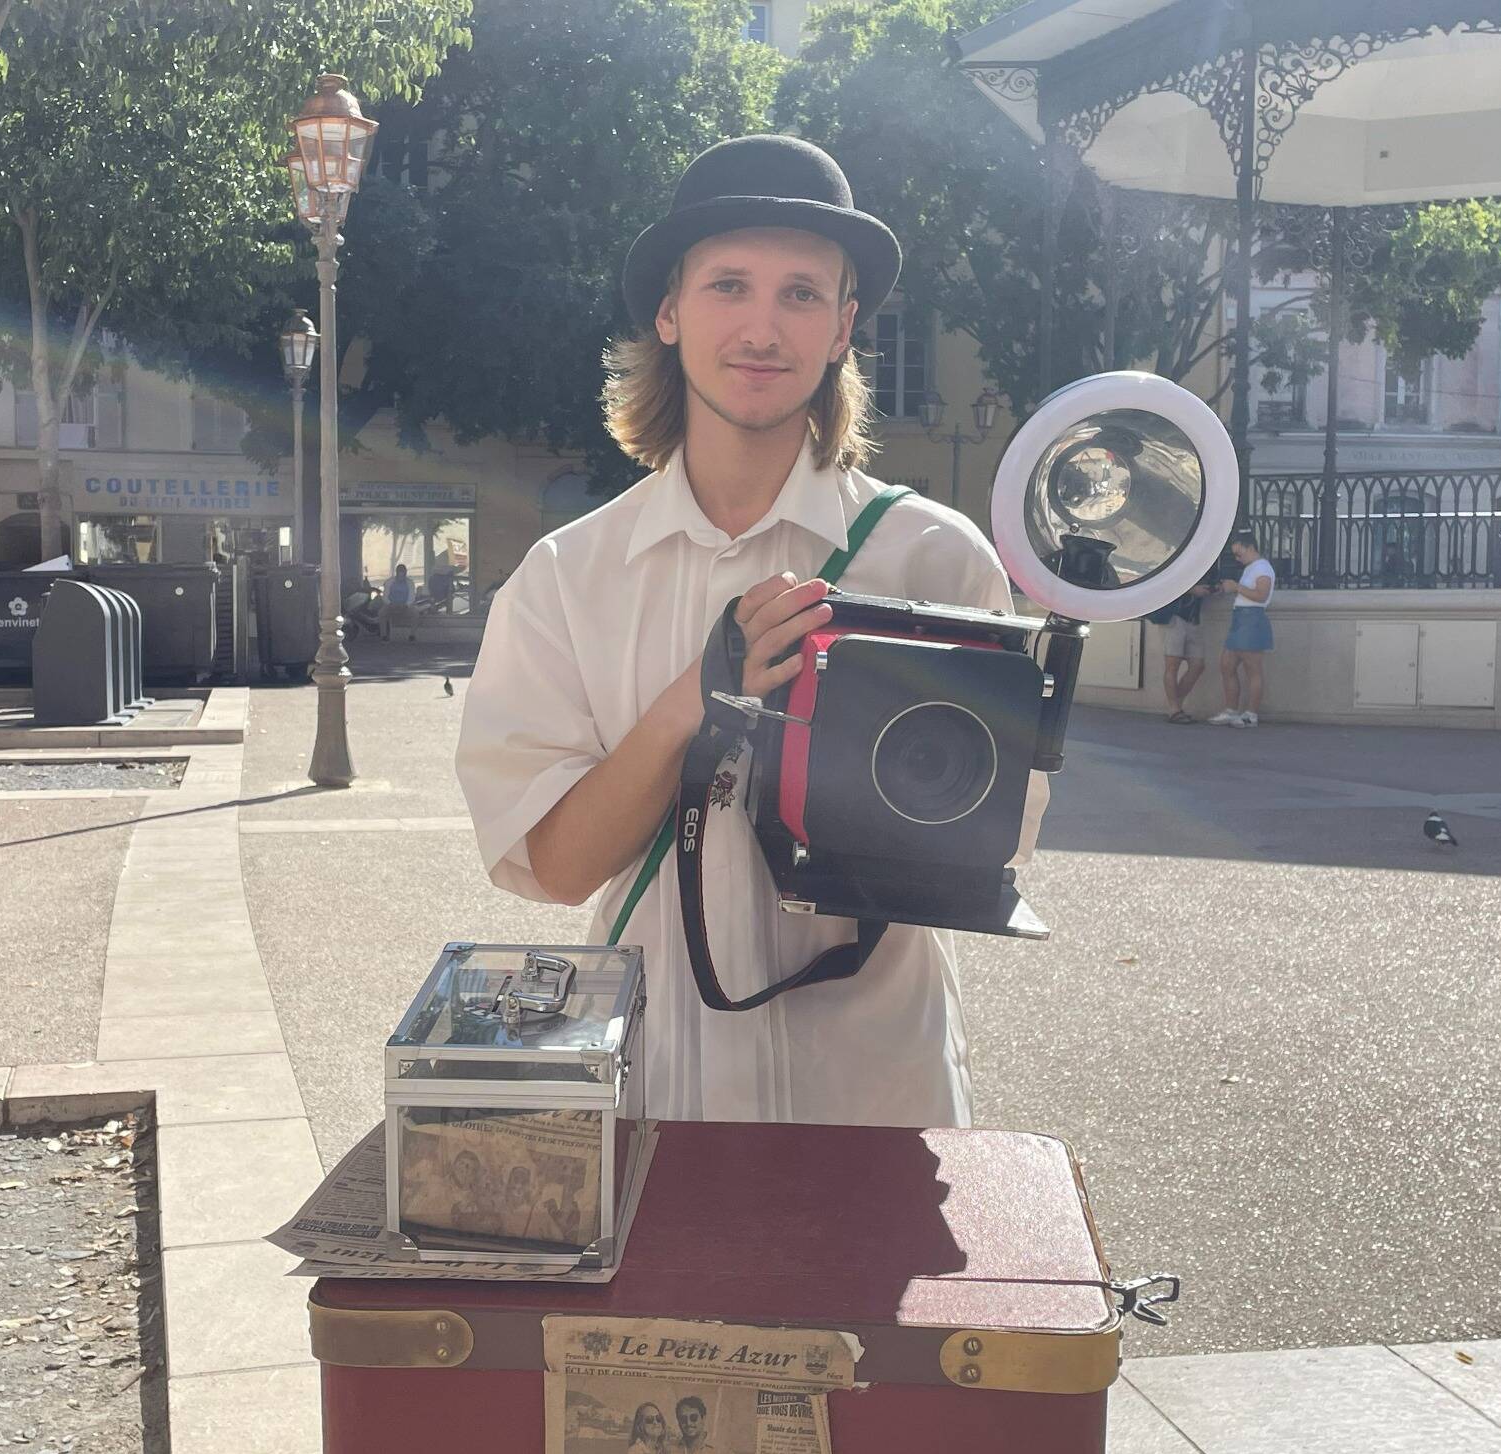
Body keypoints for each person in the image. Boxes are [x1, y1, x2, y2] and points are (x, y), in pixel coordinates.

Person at [456, 135, 1047, 1127]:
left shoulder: (933, 560)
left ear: (842, 327)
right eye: (728, 285)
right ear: (670, 312)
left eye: (801, 294)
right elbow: (557, 868)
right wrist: (686, 709)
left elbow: (995, 841)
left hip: (871, 1095)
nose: (762, 328)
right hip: (656, 1091)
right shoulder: (567, 578)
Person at [1209, 529, 1275, 727]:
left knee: (1252, 669)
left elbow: (1261, 595)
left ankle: (1250, 714)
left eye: (1239, 554)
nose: (1237, 559)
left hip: (1252, 619)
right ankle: (1231, 710)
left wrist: (1236, 587)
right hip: (1240, 618)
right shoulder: (1251, 568)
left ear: (1250, 547)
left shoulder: (1263, 568)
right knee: (1227, 665)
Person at [1155, 584, 1212, 724]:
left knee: (1198, 665)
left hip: (1193, 618)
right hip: (1174, 616)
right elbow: (1164, 584)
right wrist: (1192, 589)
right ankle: (1174, 709)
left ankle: (1176, 705)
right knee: (1172, 665)